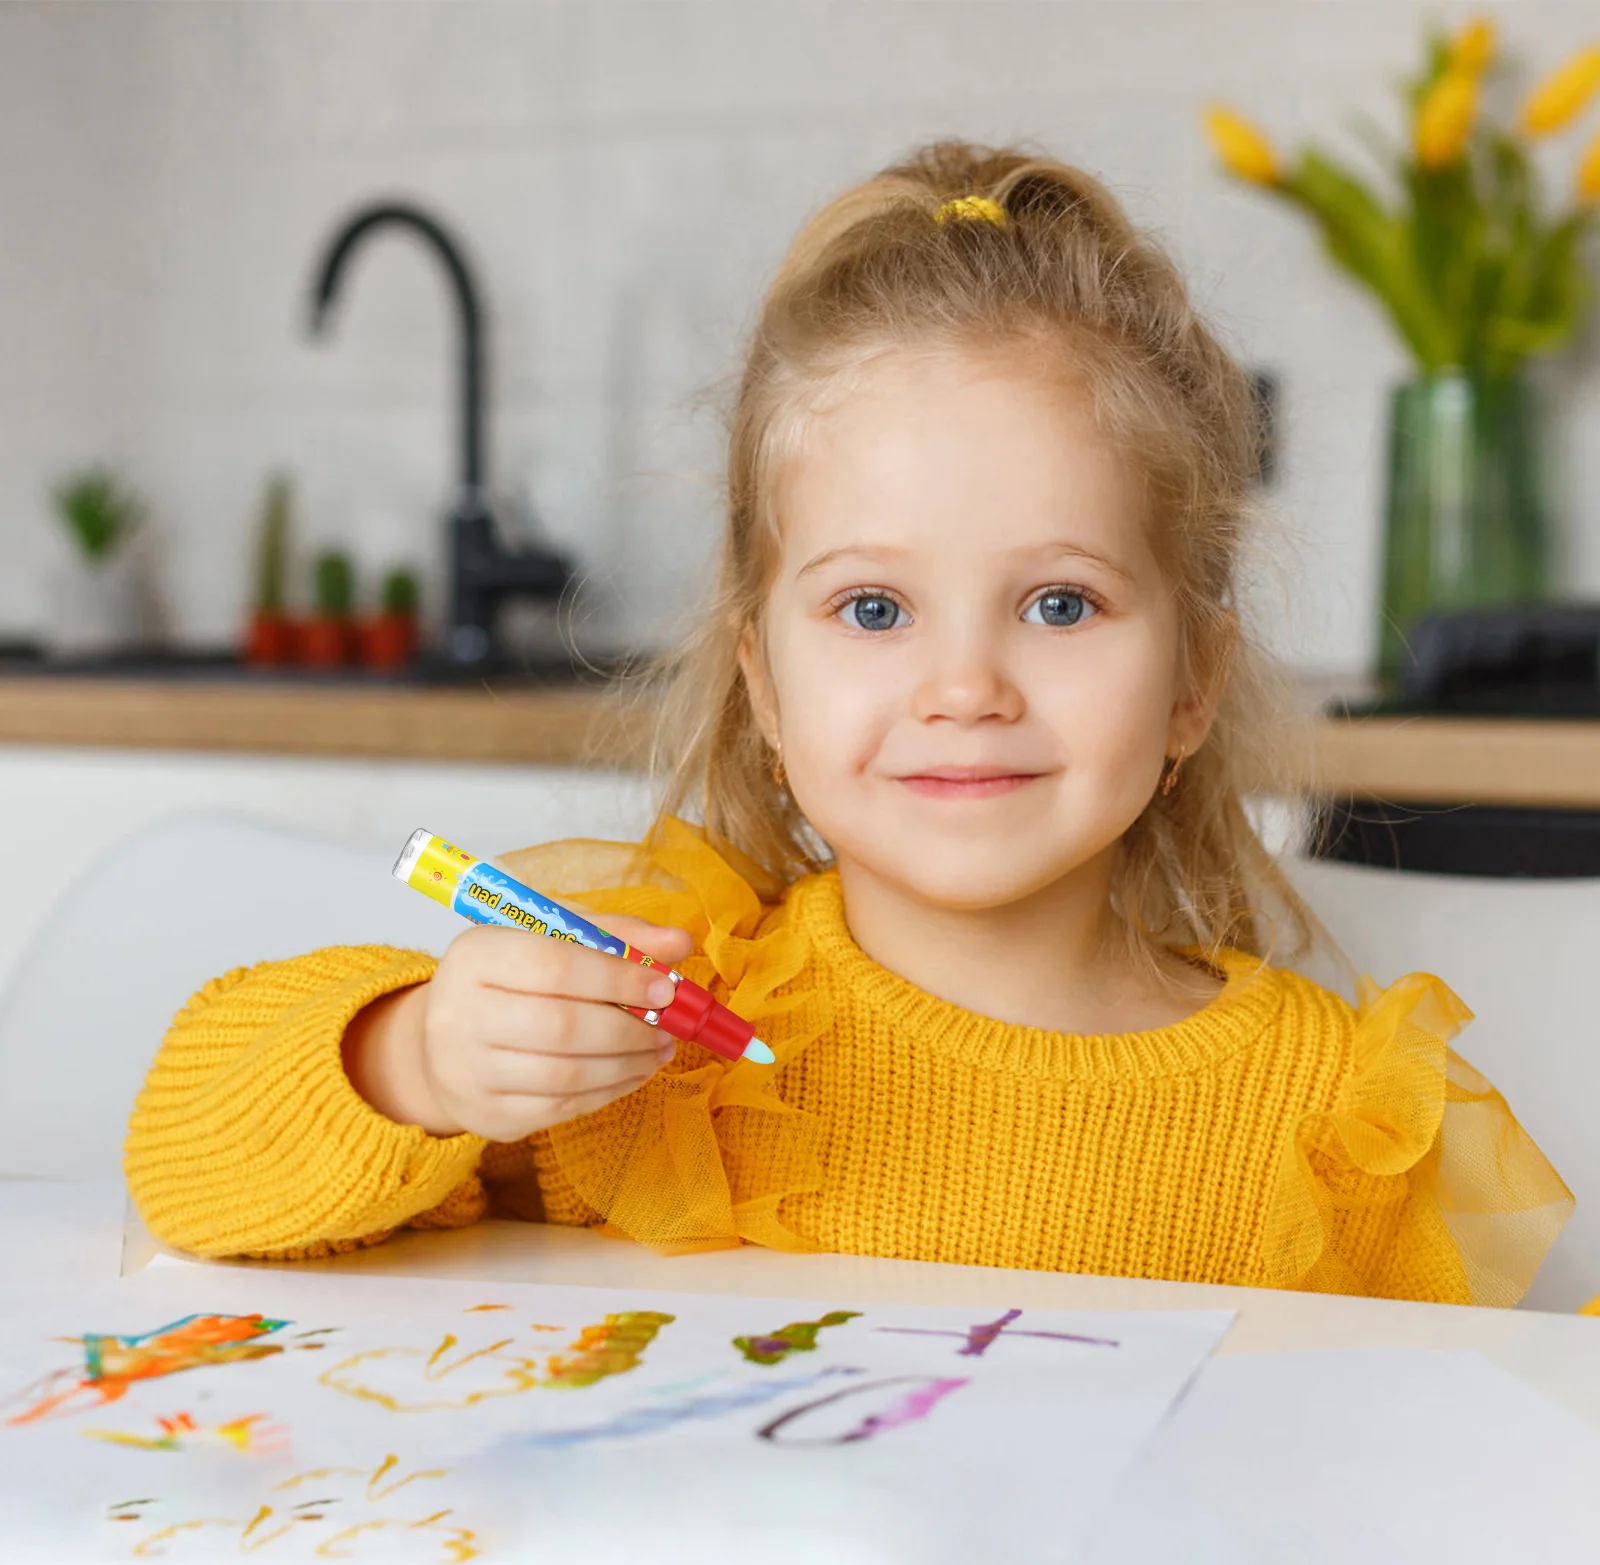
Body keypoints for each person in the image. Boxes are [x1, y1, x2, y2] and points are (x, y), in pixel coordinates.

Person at [125, 141, 1571, 1303]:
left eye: (1059, 605)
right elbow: (179, 1165)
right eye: (875, 610)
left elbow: (1456, 1473)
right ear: (762, 682)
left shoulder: (1334, 1115)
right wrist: (420, 1060)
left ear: (1194, 679)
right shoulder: (654, 1047)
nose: (965, 687)